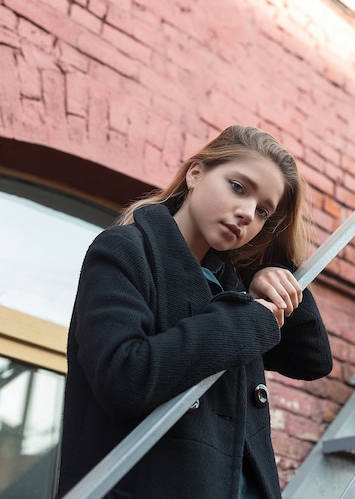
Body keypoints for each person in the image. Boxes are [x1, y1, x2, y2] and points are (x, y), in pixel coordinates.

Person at [55, 124, 332, 499]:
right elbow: (123, 376)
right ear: (196, 173)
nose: (248, 213)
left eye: (264, 211)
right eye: (238, 187)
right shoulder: (126, 251)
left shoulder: (234, 285)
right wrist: (244, 318)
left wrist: (268, 269)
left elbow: (312, 358)